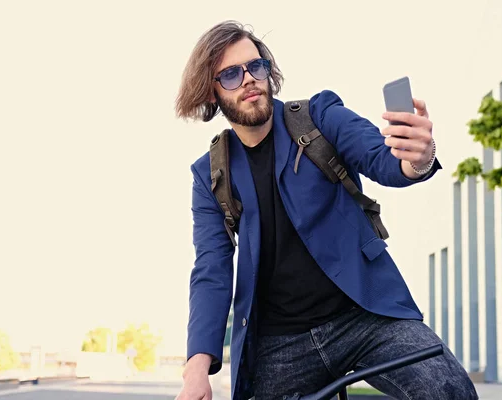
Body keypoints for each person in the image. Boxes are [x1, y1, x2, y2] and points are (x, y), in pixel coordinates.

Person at [174, 20, 478, 400]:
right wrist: (196, 367)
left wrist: (416, 158)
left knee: (449, 391)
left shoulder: (318, 116)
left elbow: (382, 160)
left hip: (366, 314)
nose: (249, 79)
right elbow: (211, 270)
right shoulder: (209, 175)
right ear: (211, 93)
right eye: (231, 74)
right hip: (279, 342)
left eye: (256, 66)